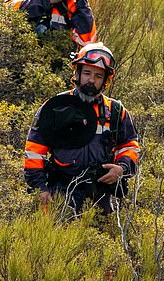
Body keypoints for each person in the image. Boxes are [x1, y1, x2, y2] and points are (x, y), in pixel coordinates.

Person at [23, 42, 140, 215]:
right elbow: (34, 150)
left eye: (98, 76)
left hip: (101, 193)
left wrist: (121, 168)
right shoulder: (55, 107)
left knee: (102, 239)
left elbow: (129, 146)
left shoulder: (116, 111)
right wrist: (41, 187)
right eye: (87, 73)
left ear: (105, 81)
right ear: (77, 74)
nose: (91, 80)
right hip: (61, 190)